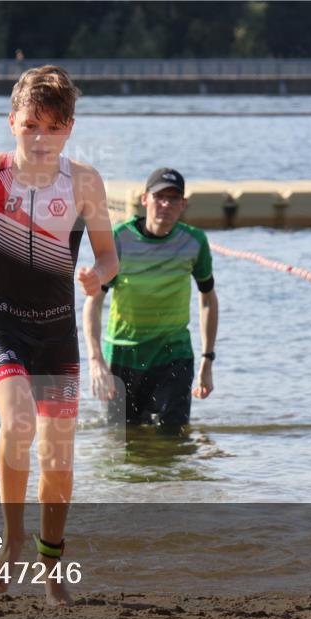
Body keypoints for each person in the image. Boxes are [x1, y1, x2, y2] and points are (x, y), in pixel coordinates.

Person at [0, 65, 118, 606]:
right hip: (1, 324)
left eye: (52, 128)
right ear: (12, 121)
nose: (40, 138)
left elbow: (108, 254)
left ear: (70, 128)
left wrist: (96, 276)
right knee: (19, 421)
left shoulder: (84, 183)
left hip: (57, 336)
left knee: (59, 458)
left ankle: (51, 566)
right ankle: (10, 541)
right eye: (31, 125)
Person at [84, 168, 218, 433]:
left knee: (174, 436)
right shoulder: (119, 239)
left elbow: (208, 299)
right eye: (159, 197)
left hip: (174, 354)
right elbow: (94, 301)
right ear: (145, 199)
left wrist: (207, 361)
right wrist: (95, 360)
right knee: (122, 438)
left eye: (173, 198)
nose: (166, 205)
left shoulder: (195, 242)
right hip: (123, 355)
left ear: (184, 204)